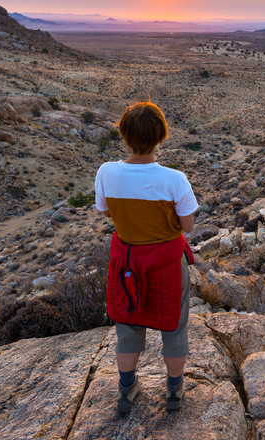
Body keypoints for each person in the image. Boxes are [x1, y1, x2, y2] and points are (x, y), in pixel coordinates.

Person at [94, 101, 198, 417]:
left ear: (124, 136)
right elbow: (188, 226)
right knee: (174, 329)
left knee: (127, 329)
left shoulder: (107, 172)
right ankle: (174, 391)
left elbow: (105, 211)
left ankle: (126, 391)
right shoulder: (175, 179)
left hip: (127, 264)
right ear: (161, 137)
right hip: (167, 266)